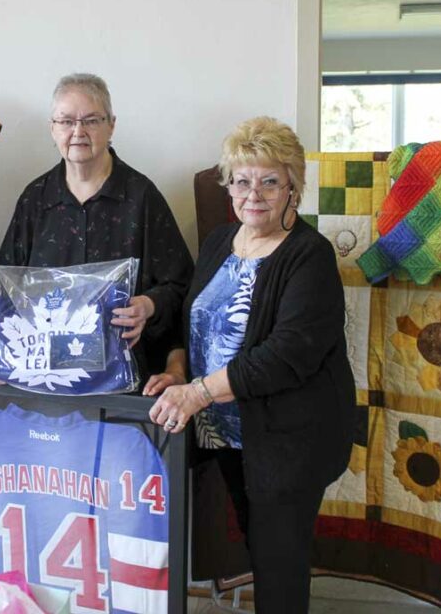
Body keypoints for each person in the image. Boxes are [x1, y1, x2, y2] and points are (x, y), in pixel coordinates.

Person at [147, 117, 355, 612]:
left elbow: (287, 355)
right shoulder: (221, 241)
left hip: (289, 437)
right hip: (229, 432)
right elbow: (190, 318)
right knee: (259, 543)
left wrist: (197, 393)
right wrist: (178, 371)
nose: (253, 193)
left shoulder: (310, 255)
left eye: (269, 181)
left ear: (292, 189)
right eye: (242, 180)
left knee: (279, 560)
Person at [0, 73, 192, 384]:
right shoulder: (35, 198)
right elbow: (4, 285)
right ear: (53, 128)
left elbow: (183, 286)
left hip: (126, 374)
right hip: (44, 374)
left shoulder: (141, 197)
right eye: (66, 121)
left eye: (91, 120)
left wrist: (149, 305)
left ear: (112, 125)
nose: (78, 131)